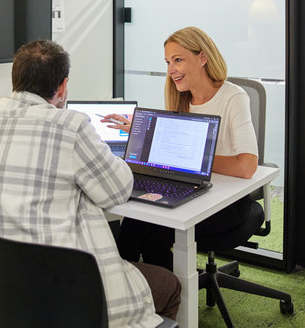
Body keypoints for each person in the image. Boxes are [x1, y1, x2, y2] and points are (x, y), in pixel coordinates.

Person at [0, 39, 180, 326]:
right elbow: (117, 191)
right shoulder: (71, 125)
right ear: (63, 86)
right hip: (60, 297)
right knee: (169, 286)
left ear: (15, 79)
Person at [101, 27, 259, 271]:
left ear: (202, 58)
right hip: (188, 188)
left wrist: (197, 161)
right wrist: (141, 130)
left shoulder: (233, 97)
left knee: (155, 233)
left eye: (178, 60)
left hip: (227, 203)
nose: (171, 70)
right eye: (167, 62)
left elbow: (247, 166)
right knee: (133, 223)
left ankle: (167, 298)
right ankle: (132, 293)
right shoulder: (180, 98)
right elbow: (176, 148)